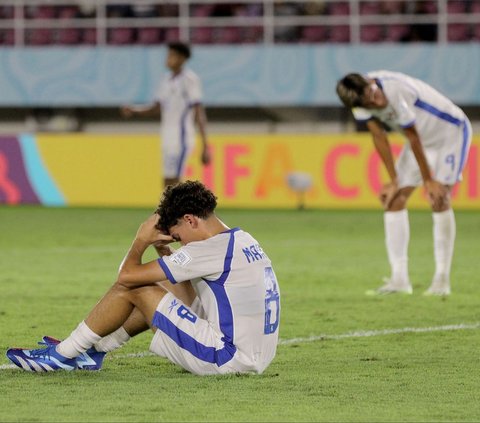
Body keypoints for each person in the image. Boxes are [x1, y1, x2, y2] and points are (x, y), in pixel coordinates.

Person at [6, 181, 281, 374]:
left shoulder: (207, 250)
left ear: (190, 220)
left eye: (177, 236)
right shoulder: (241, 239)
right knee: (160, 288)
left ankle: (63, 355)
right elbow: (185, 296)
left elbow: (126, 278)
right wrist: (164, 249)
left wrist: (140, 240)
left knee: (138, 290)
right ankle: (96, 351)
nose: (181, 243)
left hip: (228, 358)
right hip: (254, 356)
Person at [336, 71, 471, 296]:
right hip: (420, 141)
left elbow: (413, 136)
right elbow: (379, 137)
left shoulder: (395, 89)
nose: (376, 101)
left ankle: (441, 279)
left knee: (439, 198)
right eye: (369, 102)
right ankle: (399, 279)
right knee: (394, 200)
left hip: (450, 133)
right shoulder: (358, 102)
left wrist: (428, 180)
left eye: (373, 93)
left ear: (371, 83)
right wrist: (394, 181)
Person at [121, 42, 210, 188]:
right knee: (167, 180)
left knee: (176, 180)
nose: (168, 59)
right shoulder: (166, 80)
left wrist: (205, 146)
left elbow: (199, 112)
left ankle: (178, 210)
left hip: (181, 136)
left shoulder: (189, 79)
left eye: (172, 55)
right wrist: (134, 110)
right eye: (168, 55)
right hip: (167, 136)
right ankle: (168, 211)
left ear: (182, 58)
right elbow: (156, 108)